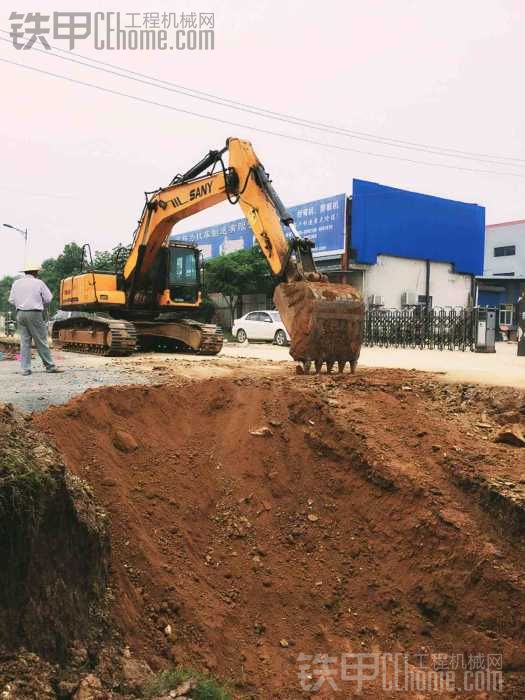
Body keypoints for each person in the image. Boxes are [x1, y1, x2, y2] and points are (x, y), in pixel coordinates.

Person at [8, 263, 63, 376]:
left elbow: (11, 300)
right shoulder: (39, 283)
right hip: (34, 313)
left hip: (20, 313)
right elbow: (48, 298)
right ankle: (50, 366)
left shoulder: (16, 283)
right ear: (35, 272)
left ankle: (25, 369)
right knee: (41, 340)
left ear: (25, 272)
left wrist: (21, 303)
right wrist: (39, 302)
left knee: (25, 342)